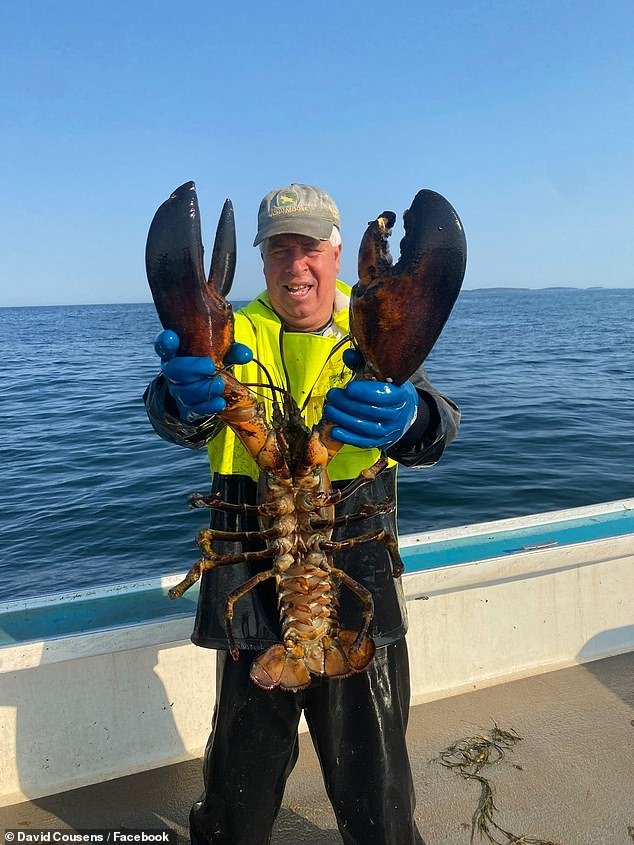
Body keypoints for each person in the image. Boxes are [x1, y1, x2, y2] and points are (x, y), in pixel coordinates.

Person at [144, 184, 460, 845]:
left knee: (378, 791)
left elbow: (435, 423)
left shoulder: (377, 325)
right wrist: (177, 397)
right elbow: (177, 416)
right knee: (238, 787)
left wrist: (414, 414)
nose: (297, 266)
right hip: (251, 602)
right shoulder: (235, 329)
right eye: (281, 249)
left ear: (337, 252)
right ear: (261, 259)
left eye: (310, 248)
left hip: (358, 593)